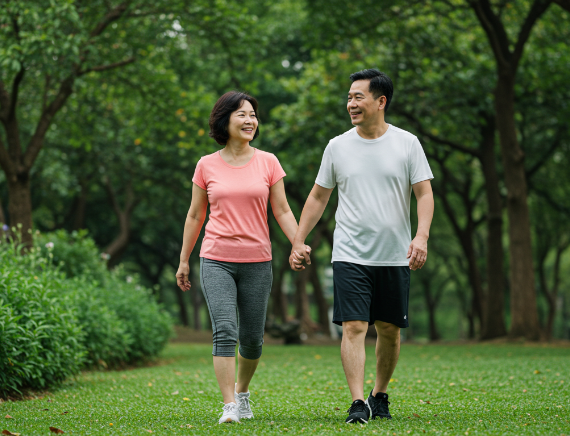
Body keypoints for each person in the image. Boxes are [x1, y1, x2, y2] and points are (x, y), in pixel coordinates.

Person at [289, 69, 434, 424]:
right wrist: (298, 240)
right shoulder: (337, 146)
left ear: (380, 101)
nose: (351, 103)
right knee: (353, 326)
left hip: (394, 254)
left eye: (358, 97)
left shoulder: (407, 143)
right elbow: (318, 196)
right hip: (350, 253)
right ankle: (357, 401)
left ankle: (379, 394)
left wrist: (422, 235)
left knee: (389, 329)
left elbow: (424, 193)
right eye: (350, 97)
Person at [176, 91, 309, 424]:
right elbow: (195, 216)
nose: (250, 120)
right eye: (242, 115)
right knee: (224, 329)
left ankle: (242, 391)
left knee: (252, 338)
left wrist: (298, 243)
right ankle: (229, 405)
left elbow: (281, 209)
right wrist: (183, 260)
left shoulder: (268, 162)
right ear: (225, 120)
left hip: (257, 261)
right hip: (216, 258)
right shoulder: (206, 165)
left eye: (253, 115)